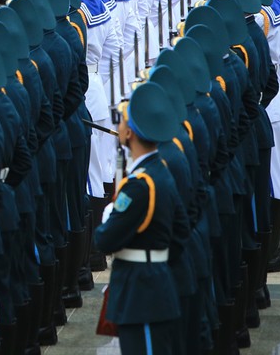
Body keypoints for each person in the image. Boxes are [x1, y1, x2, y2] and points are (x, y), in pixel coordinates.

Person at [93, 80, 187, 355]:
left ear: (131, 132)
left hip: (141, 294)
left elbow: (105, 240)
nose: (119, 126)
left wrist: (109, 218)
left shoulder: (140, 185)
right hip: (154, 285)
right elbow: (180, 233)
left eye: (122, 120)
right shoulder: (160, 171)